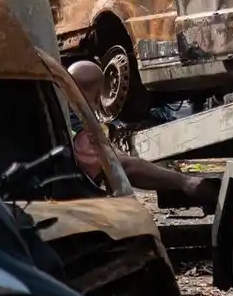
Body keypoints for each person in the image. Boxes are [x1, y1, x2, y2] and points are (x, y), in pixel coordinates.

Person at [66, 60, 219, 206]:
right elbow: (121, 166)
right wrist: (185, 182)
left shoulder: (61, 115)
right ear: (101, 93)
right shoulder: (77, 125)